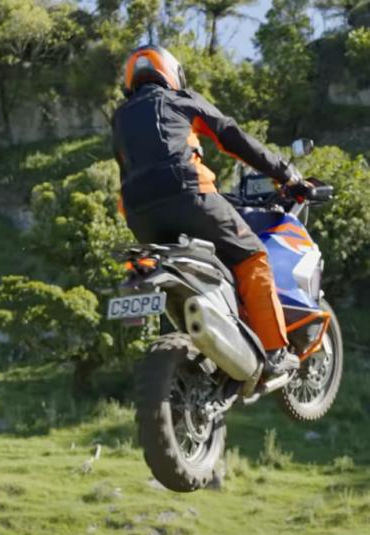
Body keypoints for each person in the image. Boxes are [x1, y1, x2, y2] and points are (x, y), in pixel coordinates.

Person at [112, 45, 308, 380]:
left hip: (139, 216)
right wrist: (285, 173)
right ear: (171, 73)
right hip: (189, 196)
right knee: (252, 255)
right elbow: (233, 138)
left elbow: (127, 168)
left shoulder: (120, 118)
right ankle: (274, 352)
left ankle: (204, 353)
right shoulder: (181, 100)